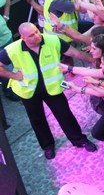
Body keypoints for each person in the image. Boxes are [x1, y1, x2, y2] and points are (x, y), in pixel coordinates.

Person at [0, 23, 96, 159]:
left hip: (53, 87)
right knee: (37, 119)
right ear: (22, 38)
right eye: (31, 35)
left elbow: (75, 53)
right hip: (28, 91)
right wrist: (14, 76)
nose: (37, 36)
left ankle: (79, 139)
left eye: (36, 32)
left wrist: (94, 61)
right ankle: (47, 146)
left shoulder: (52, 40)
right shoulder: (12, 49)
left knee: (65, 114)